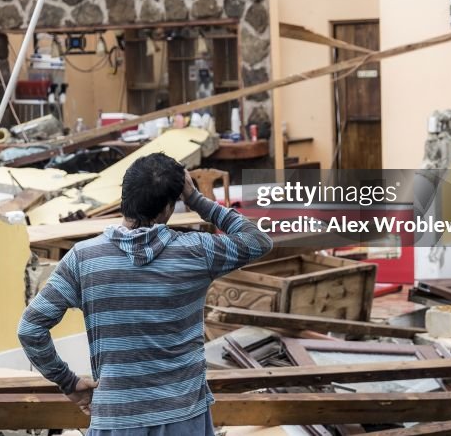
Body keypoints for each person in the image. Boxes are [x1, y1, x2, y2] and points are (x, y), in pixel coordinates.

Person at [17, 152, 274, 435]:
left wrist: (68, 382)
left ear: (125, 196)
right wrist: (196, 200)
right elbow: (258, 240)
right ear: (167, 207)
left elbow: (30, 329)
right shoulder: (197, 251)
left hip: (116, 420)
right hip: (182, 418)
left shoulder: (84, 259)